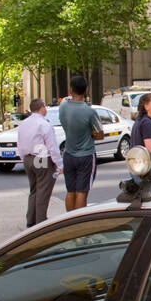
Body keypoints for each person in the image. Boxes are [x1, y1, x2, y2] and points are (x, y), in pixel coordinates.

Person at [58, 75, 103, 212]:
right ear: (85, 90)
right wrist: (91, 133)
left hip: (69, 154)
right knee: (82, 192)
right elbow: (100, 134)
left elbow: (66, 98)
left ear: (71, 90)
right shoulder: (89, 111)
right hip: (86, 155)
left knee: (70, 191)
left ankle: (69, 221)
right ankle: (78, 222)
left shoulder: (63, 106)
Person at [17, 98, 63, 227]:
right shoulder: (44, 124)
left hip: (28, 158)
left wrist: (24, 158)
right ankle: (40, 222)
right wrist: (59, 164)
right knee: (43, 191)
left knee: (34, 190)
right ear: (42, 107)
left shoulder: (23, 124)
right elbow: (52, 146)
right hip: (41, 158)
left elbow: (20, 143)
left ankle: (31, 220)